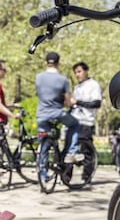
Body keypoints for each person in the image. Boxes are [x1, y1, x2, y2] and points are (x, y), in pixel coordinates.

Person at [36, 52, 83, 181]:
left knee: (43, 145)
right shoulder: (63, 80)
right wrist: (69, 102)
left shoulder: (38, 78)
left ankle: (43, 175)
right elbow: (67, 102)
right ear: (58, 63)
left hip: (41, 115)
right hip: (57, 113)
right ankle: (70, 152)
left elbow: (42, 95)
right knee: (75, 124)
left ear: (45, 63)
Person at [70, 61, 102, 140]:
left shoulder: (93, 85)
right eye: (75, 72)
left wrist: (78, 102)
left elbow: (97, 103)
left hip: (86, 122)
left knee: (86, 148)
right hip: (75, 121)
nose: (77, 74)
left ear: (86, 71)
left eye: (79, 71)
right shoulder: (77, 87)